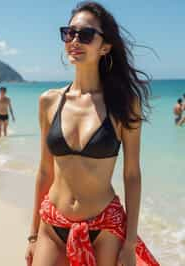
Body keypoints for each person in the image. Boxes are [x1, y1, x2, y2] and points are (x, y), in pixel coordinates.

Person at [25, 2, 159, 266]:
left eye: (85, 35)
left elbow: (132, 174)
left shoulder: (124, 103)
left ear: (105, 47)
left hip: (104, 226)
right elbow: (44, 171)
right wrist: (32, 235)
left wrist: (130, 243)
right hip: (52, 224)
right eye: (69, 33)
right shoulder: (49, 101)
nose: (74, 40)